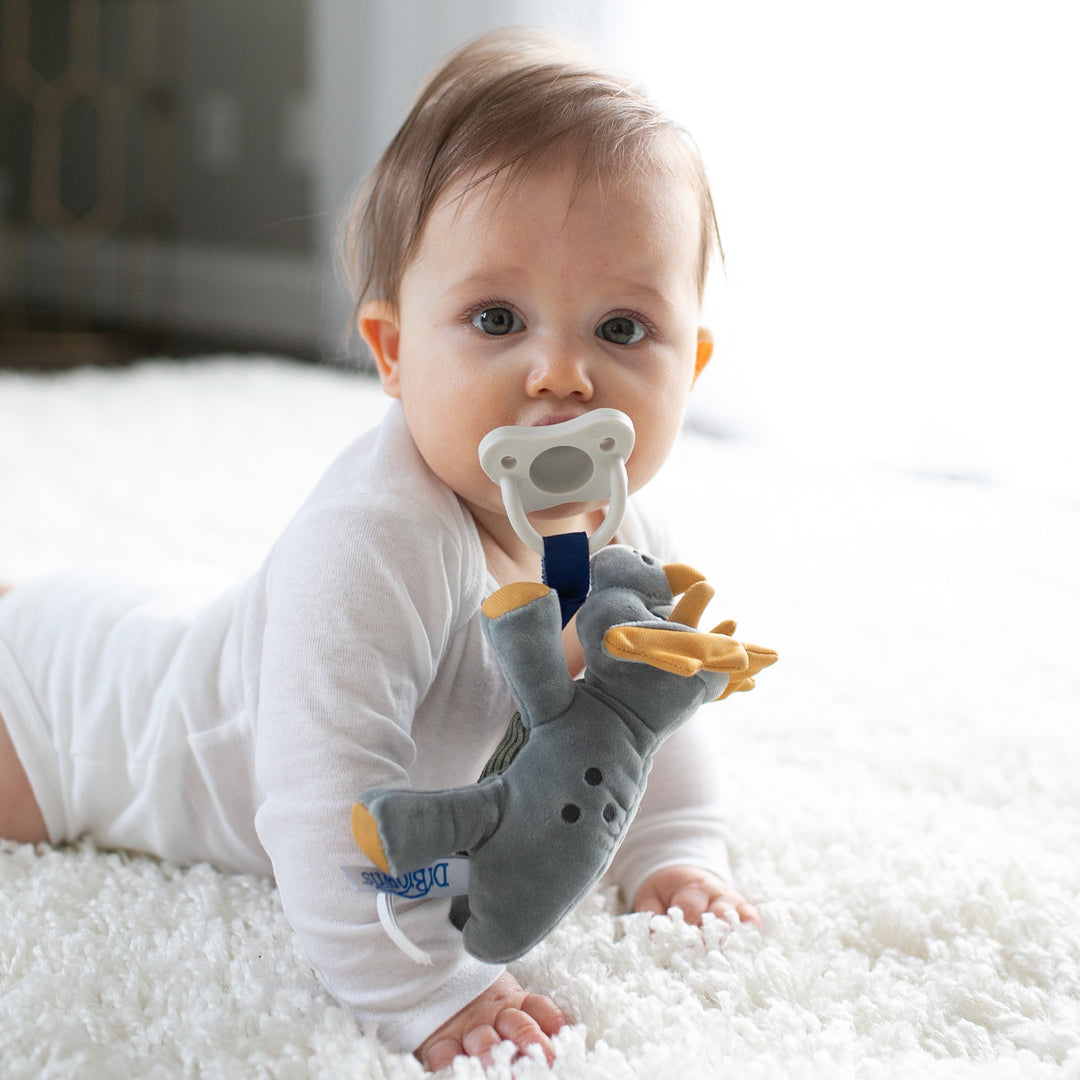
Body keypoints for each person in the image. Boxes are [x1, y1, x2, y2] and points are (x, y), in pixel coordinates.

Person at [0, 27, 760, 1071]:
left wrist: (676, 851)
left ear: (694, 363)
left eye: (622, 330)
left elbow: (644, 712)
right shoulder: (371, 544)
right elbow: (323, 814)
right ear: (395, 354)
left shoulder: (624, 533)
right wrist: (426, 992)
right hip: (77, 726)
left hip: (173, 628)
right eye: (498, 317)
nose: (561, 375)